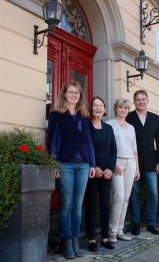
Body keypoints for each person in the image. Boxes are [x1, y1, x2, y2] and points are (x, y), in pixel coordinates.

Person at [48, 81, 96, 259]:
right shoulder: (56, 116)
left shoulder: (84, 117)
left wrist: (92, 164)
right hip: (65, 164)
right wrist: (52, 163)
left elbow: (88, 143)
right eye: (71, 92)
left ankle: (75, 241)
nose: (74, 95)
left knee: (77, 206)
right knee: (66, 205)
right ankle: (66, 242)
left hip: (83, 165)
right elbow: (52, 140)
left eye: (77, 93)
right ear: (65, 95)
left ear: (79, 96)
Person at [126, 90, 159, 236]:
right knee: (134, 192)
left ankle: (151, 223)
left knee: (153, 193)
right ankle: (135, 223)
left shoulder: (155, 118)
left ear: (147, 100)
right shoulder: (129, 117)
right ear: (134, 102)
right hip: (133, 162)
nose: (140, 102)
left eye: (143, 99)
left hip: (151, 162)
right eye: (138, 100)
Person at [85, 97, 117, 251]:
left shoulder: (109, 128)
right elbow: (84, 148)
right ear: (91, 109)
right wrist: (94, 166)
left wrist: (110, 169)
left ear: (104, 109)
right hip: (92, 172)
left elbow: (113, 150)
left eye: (101, 106)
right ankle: (91, 240)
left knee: (105, 205)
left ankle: (105, 238)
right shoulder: (86, 126)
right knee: (91, 205)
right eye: (95, 105)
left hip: (106, 173)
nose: (98, 108)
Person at [107, 98, 140, 243]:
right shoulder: (109, 125)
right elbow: (107, 148)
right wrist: (113, 164)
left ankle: (120, 230)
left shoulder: (131, 128)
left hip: (131, 163)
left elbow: (135, 150)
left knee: (126, 197)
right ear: (116, 109)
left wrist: (137, 168)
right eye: (120, 107)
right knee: (119, 196)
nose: (123, 110)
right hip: (117, 162)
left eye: (126, 108)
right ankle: (112, 231)